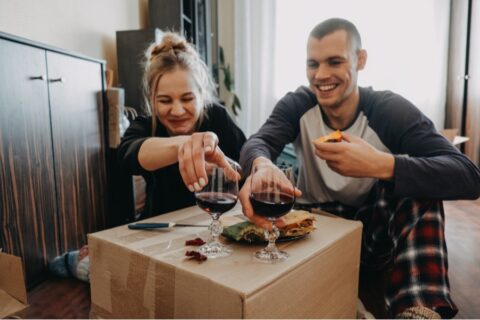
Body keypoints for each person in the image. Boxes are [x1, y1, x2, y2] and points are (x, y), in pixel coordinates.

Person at [238, 18, 480, 319]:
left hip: (372, 230)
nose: (321, 75)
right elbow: (258, 141)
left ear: (360, 59)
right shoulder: (298, 103)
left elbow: (469, 176)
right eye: (313, 64)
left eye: (335, 62)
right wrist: (261, 164)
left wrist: (381, 164)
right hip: (315, 227)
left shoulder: (388, 109)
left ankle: (420, 311)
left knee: (419, 187)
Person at [119, 32, 246, 217]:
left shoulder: (217, 117)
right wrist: (188, 144)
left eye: (187, 99)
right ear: (151, 100)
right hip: (160, 229)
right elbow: (127, 155)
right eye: (165, 101)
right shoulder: (145, 126)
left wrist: (226, 171)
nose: (177, 111)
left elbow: (246, 167)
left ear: (201, 96)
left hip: (213, 223)